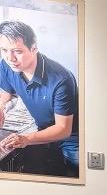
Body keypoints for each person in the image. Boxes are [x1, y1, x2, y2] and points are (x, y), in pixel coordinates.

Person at [0, 20, 79, 175]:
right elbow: (7, 94)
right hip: (41, 129)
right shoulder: (6, 65)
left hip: (70, 137)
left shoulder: (62, 79)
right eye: (4, 50)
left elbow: (63, 129)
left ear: (34, 48)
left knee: (76, 168)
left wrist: (25, 139)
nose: (10, 58)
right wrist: (1, 107)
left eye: (17, 51)